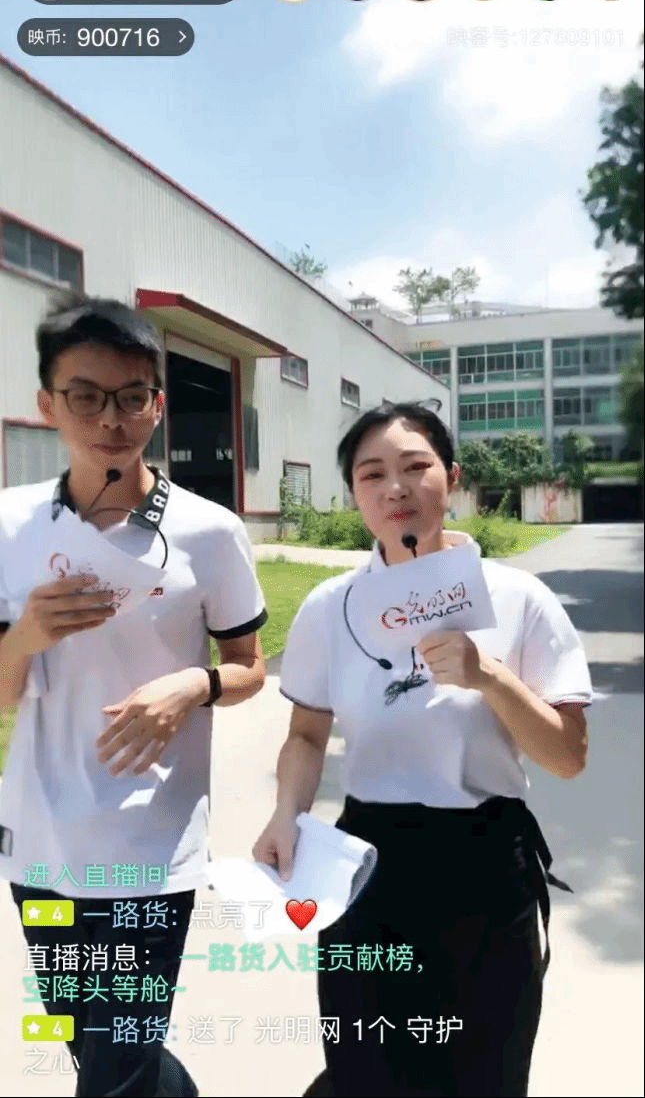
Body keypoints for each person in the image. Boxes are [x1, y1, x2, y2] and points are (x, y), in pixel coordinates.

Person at [253, 401, 592, 1098]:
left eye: (415, 467)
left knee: (485, 1075)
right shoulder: (329, 606)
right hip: (369, 864)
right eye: (371, 474)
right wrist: (286, 812)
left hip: (486, 862)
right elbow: (307, 734)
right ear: (354, 493)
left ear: (452, 477)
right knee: (367, 1071)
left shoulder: (519, 598)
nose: (395, 488)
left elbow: (566, 755)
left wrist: (487, 675)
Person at [0, 296, 267, 1096]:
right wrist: (24, 636)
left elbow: (249, 665)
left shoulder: (208, 531)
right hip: (41, 841)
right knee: (94, 1045)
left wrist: (194, 683)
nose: (110, 418)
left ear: (157, 403)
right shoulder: (11, 525)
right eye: (86, 395)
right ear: (47, 402)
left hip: (151, 844)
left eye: (131, 395)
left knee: (116, 1063)